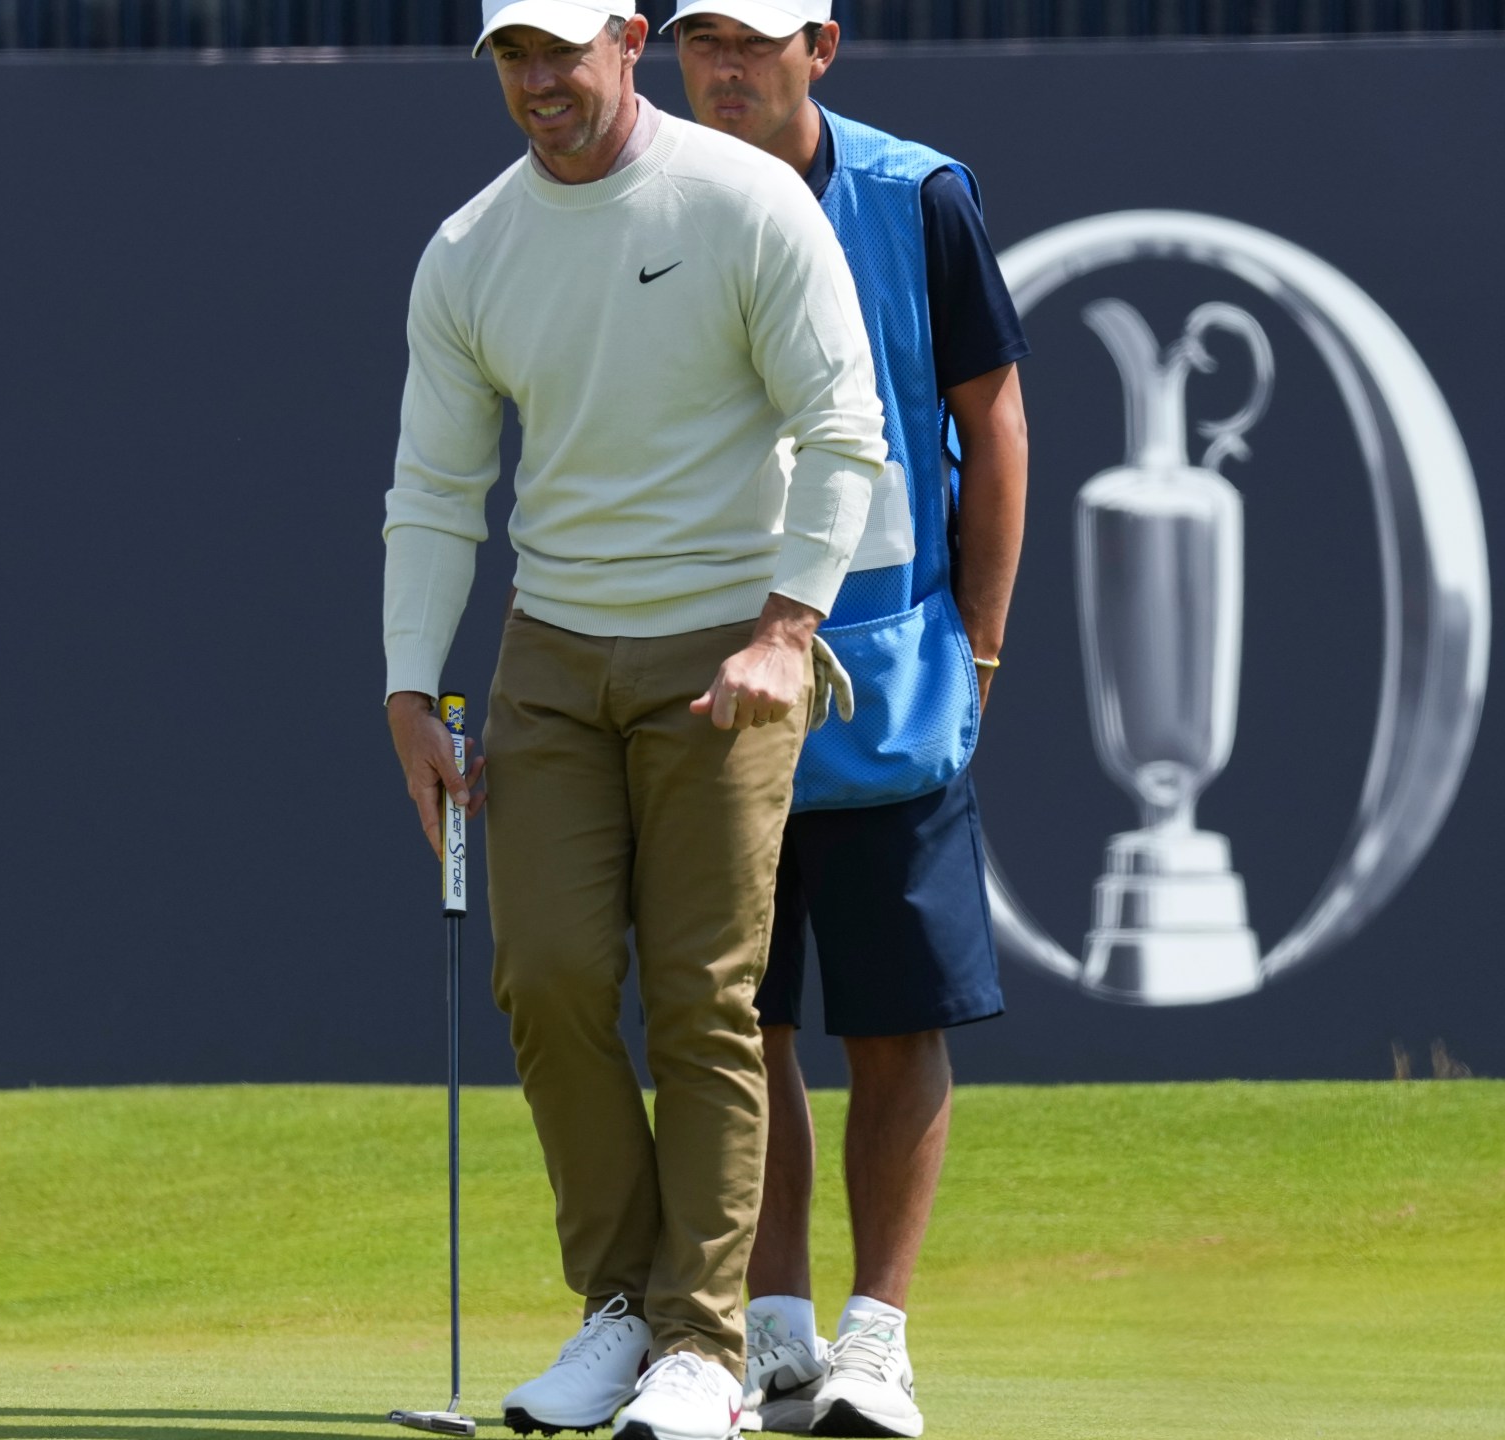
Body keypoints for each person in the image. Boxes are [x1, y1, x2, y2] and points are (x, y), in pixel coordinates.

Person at [380, 1, 895, 1435]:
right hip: (552, 651)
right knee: (544, 976)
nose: (539, 83)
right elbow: (434, 489)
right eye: (510, 58)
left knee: (701, 997)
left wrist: (792, 630)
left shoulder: (742, 203)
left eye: (560, 49)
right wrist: (410, 691)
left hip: (729, 642)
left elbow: (847, 426)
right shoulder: (471, 249)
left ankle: (700, 1347)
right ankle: (619, 1308)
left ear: (626, 36)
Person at [670, 3, 1031, 1435]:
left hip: (889, 675)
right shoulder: (638, 198)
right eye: (702, 37)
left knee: (894, 1021)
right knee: (737, 1025)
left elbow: (990, 412)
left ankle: (877, 1341)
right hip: (702, 682)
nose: (726, 65)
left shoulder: (918, 195)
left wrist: (983, 643)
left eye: (755, 39)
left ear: (823, 45)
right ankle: (771, 1334)